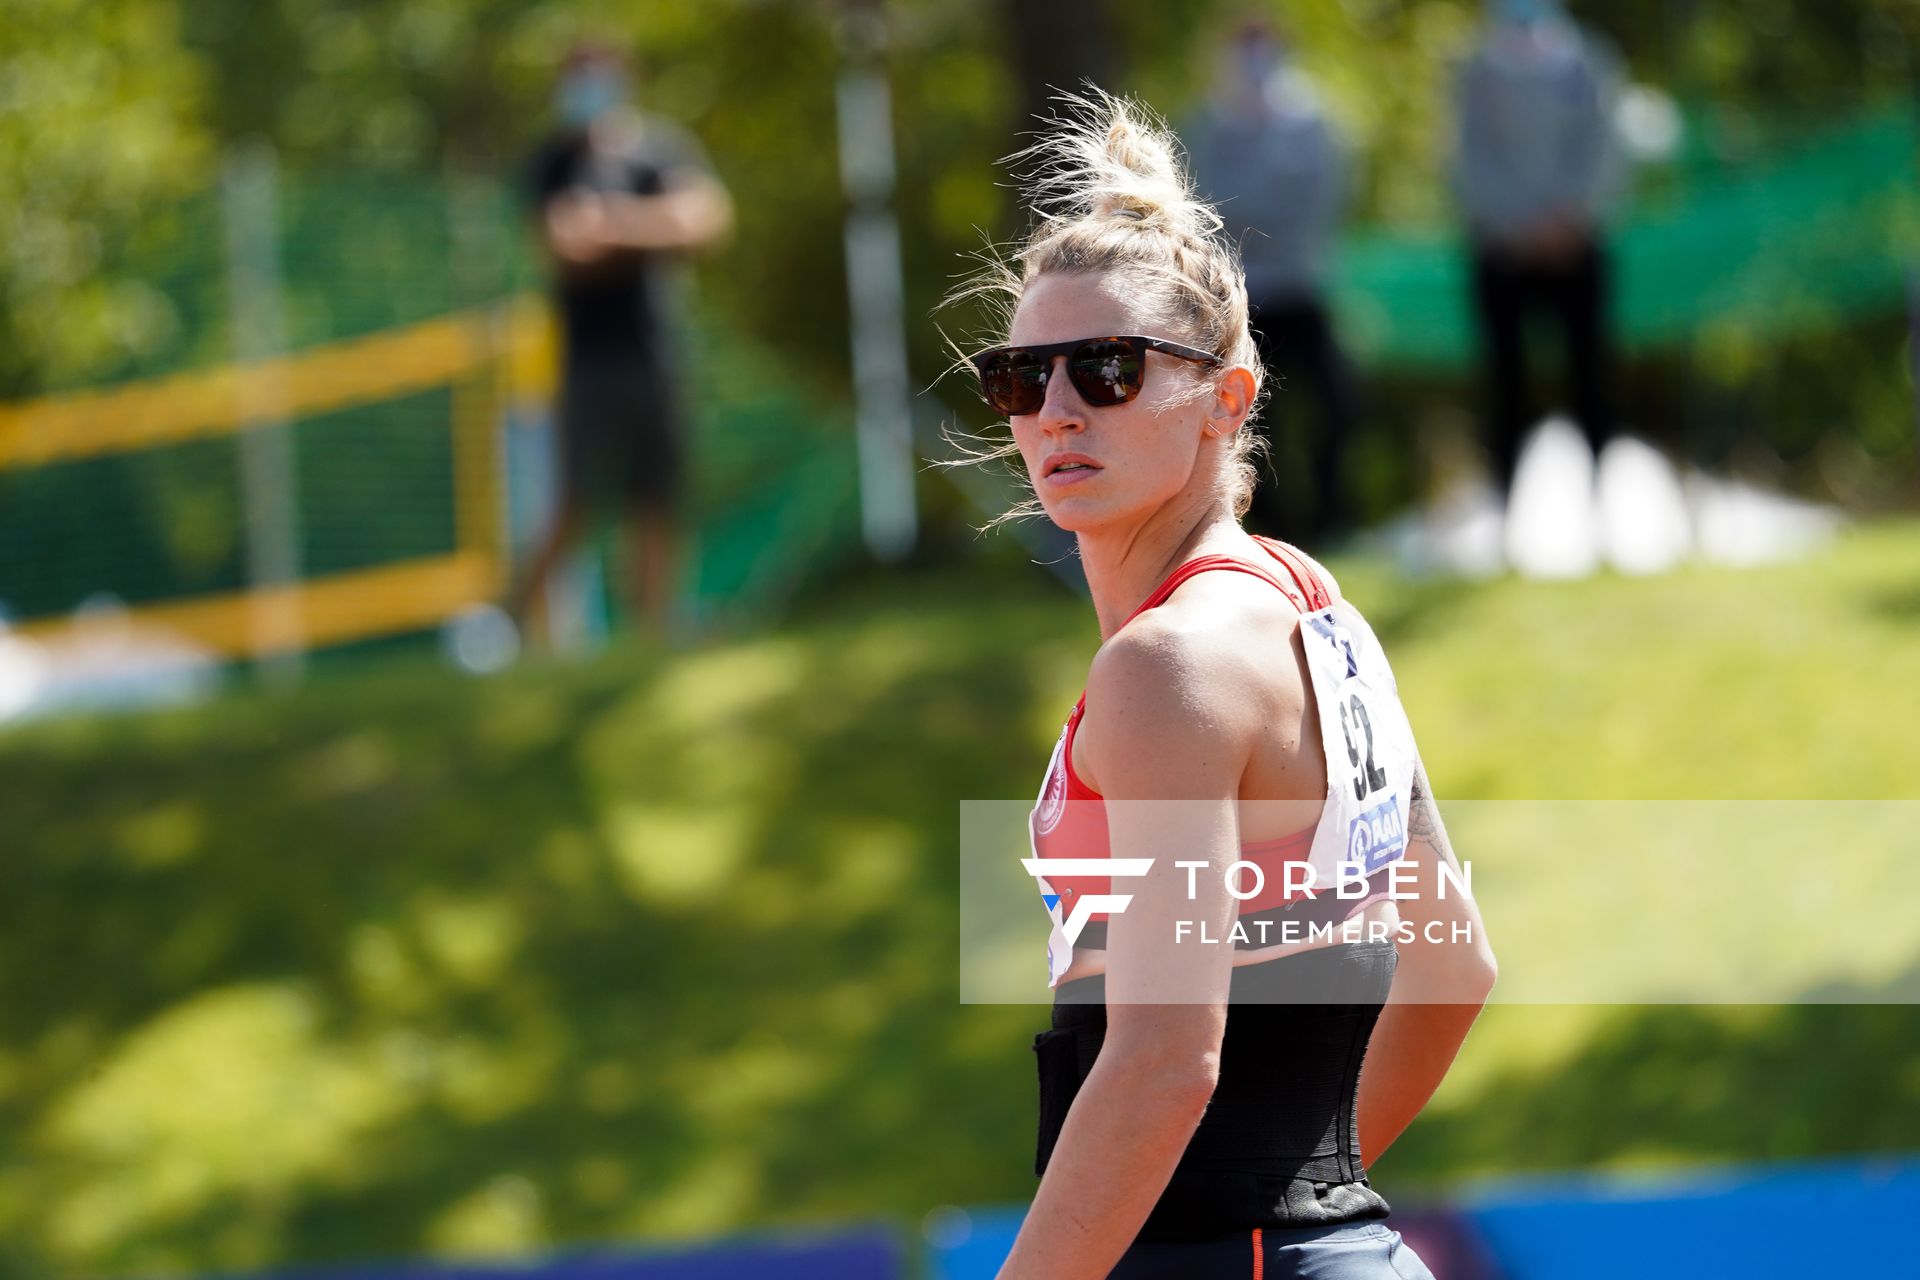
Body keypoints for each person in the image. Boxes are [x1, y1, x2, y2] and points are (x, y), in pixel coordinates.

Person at [949, 91, 1497, 1279]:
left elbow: (1161, 1062)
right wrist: (1306, 1197)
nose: (1053, 411)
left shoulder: (1167, 665)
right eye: (1020, 377)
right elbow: (1455, 967)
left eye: (1107, 370)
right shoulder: (1317, 611)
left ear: (1227, 399)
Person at [509, 42, 733, 646]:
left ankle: (652, 634)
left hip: (655, 353)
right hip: (584, 363)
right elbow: (565, 246)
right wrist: (652, 226)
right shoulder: (551, 160)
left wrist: (614, 224)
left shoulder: (659, 148)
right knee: (573, 503)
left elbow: (707, 219)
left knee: (655, 500)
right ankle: (511, 627)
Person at [1187, 17, 1360, 547]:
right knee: (1258, 418)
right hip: (1242, 298)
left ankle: (1334, 518)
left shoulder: (1311, 124)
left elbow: (1319, 199)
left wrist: (1259, 213)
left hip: (1301, 288)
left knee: (1338, 406)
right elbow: (1206, 206)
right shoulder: (1210, 128)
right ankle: (1275, 525)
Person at [1453, 0, 1622, 505]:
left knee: (1591, 376)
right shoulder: (1477, 69)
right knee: (1506, 385)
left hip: (1579, 247)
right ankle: (1506, 508)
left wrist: (1570, 218)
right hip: (1502, 252)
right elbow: (1468, 156)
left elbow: (1605, 146)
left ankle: (1601, 505)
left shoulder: (1589, 59)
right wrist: (1515, 227)